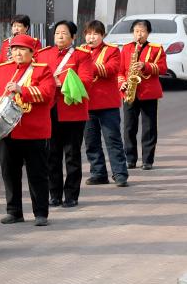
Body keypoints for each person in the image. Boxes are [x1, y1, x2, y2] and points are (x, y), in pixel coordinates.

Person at [0, 35, 55, 226]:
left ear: (32, 52)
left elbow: (47, 94)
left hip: (33, 130)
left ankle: (41, 213)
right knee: (9, 172)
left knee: (37, 173)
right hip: (8, 130)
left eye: (22, 49)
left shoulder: (42, 69)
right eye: (14, 49)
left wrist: (22, 89)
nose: (17, 53)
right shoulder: (3, 69)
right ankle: (14, 211)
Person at [36, 21, 93, 208]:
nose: (60, 36)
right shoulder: (44, 54)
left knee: (72, 155)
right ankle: (54, 194)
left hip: (72, 111)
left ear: (73, 37)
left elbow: (86, 80)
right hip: (49, 110)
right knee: (52, 155)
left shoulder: (81, 55)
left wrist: (60, 83)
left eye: (64, 33)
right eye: (57, 33)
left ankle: (71, 195)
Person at [79, 20, 128, 187]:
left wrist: (86, 67)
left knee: (112, 140)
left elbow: (111, 69)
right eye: (88, 34)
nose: (91, 37)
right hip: (87, 103)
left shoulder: (112, 50)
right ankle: (98, 173)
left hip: (108, 104)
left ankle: (120, 174)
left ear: (102, 35)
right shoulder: (80, 51)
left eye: (95, 34)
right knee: (91, 141)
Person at [118, 19, 167, 171]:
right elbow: (120, 71)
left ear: (148, 33)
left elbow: (163, 68)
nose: (139, 34)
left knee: (149, 127)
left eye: (142, 31)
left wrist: (145, 66)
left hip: (149, 93)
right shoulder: (126, 48)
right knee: (129, 128)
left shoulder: (156, 49)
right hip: (130, 92)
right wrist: (122, 83)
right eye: (136, 31)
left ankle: (147, 160)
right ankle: (130, 159)